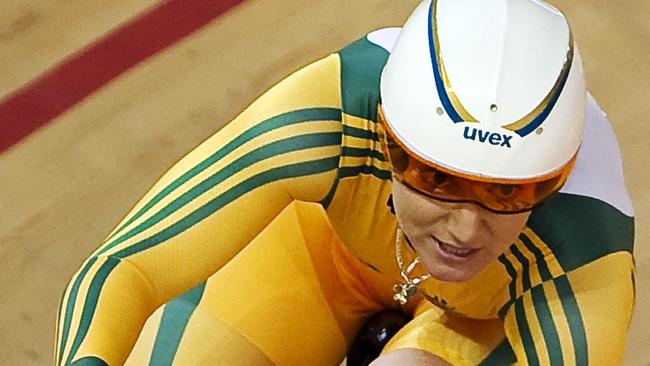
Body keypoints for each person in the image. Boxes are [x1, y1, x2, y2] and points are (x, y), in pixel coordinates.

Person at [55, 0, 636, 365]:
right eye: (435, 177)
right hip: (316, 256)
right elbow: (129, 266)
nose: (465, 227)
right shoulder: (329, 111)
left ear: (556, 179)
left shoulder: (587, 258)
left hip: (482, 324)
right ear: (386, 138)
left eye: (510, 192)